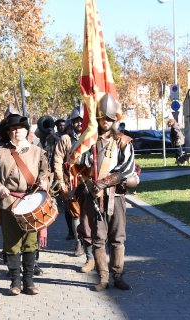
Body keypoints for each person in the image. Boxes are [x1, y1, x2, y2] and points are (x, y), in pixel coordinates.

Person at [75, 93, 136, 291]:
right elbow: (79, 164)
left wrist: (104, 182)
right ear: (98, 119)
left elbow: (127, 169)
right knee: (99, 239)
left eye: (110, 119)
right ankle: (103, 278)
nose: (106, 122)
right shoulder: (89, 143)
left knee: (118, 238)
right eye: (103, 118)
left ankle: (118, 275)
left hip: (116, 195)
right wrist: (87, 171)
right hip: (96, 197)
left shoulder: (123, 142)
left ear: (115, 119)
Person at [0, 114, 49, 296]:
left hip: (32, 202)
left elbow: (45, 173)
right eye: (13, 128)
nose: (17, 131)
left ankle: (29, 282)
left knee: (30, 243)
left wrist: (44, 182)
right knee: (12, 244)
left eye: (20, 128)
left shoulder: (38, 152)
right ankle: (15, 282)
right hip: (8, 202)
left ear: (26, 131)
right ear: (9, 132)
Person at [54, 106, 88, 260]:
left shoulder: (91, 137)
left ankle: (94, 242)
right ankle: (79, 242)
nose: (79, 123)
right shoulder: (65, 139)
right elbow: (57, 160)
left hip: (89, 181)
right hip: (72, 181)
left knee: (91, 213)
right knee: (76, 214)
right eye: (76, 120)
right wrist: (60, 180)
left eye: (81, 120)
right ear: (72, 122)